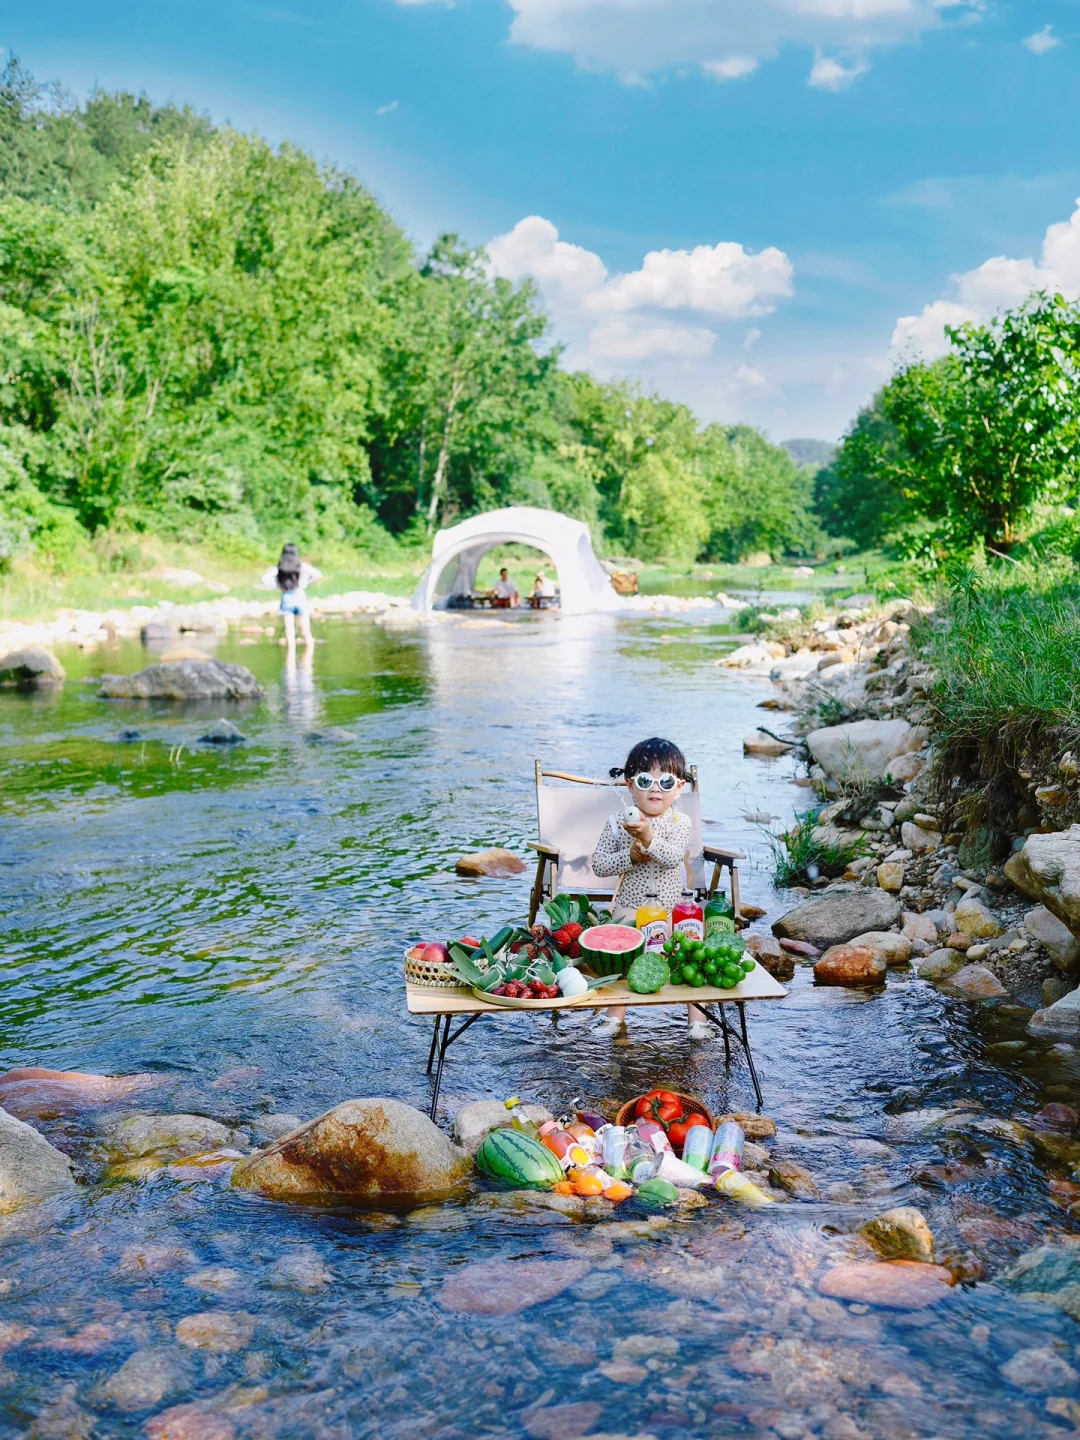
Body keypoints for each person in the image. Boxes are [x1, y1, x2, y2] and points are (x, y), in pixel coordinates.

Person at [591, 736, 710, 1041]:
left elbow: (671, 859)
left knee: (693, 955)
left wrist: (647, 836)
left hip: (673, 909)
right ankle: (615, 1014)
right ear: (631, 785)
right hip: (631, 905)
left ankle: (698, 1018)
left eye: (666, 782)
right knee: (619, 955)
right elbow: (600, 865)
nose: (656, 788)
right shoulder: (617, 822)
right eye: (646, 780)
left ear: (679, 787)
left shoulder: (680, 822)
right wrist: (627, 857)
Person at [260, 544, 322, 649]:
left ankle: (290, 662)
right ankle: (308, 662)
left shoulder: (280, 567)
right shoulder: (301, 566)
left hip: (286, 597)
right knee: (306, 631)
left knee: (289, 632)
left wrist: (278, 585)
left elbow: (264, 579)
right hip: (300, 596)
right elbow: (318, 575)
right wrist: (305, 583)